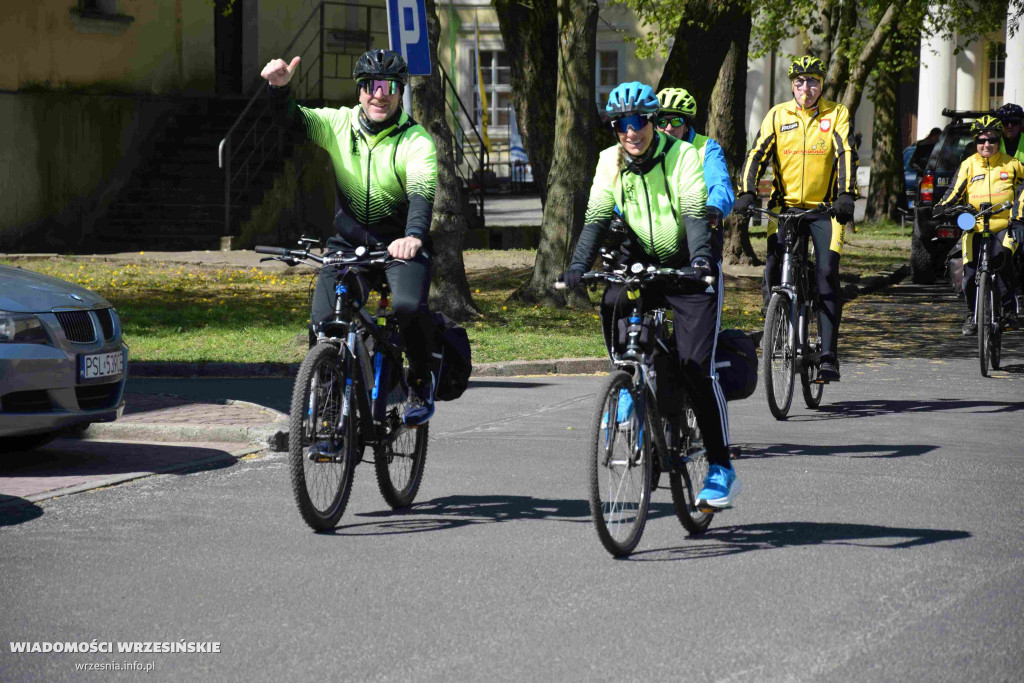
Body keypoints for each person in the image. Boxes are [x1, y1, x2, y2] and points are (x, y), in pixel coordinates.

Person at [561, 81, 739, 510]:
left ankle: (720, 467)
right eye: (621, 124)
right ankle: (627, 378)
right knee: (612, 301)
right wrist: (575, 267)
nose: (631, 131)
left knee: (696, 367)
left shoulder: (684, 157)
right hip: (643, 259)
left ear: (653, 121)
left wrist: (700, 262)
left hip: (686, 264)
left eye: (639, 121)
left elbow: (697, 213)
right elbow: (596, 217)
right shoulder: (610, 161)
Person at [261, 48, 440, 426]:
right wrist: (279, 91)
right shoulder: (339, 125)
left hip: (399, 247)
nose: (381, 93)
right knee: (323, 321)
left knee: (408, 308)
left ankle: (421, 381)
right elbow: (293, 120)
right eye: (372, 85)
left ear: (400, 91)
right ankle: (326, 406)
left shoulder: (416, 140)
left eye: (390, 86)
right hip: (348, 247)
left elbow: (422, 195)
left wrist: (412, 237)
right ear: (360, 90)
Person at [735, 55, 859, 383]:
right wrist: (747, 191)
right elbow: (756, 154)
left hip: (825, 210)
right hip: (785, 209)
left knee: (826, 273)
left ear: (822, 85)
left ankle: (829, 355)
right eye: (801, 81)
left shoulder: (836, 113)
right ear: (793, 84)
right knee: (774, 268)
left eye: (814, 81)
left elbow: (846, 152)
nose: (807, 88)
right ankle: (780, 320)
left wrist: (846, 195)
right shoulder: (778, 115)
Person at [933, 115, 1024, 333]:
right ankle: (972, 316)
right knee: (970, 274)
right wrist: (941, 206)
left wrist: (1019, 218)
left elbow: (1023, 192)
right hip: (974, 225)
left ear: (998, 140)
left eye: (991, 140)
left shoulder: (1012, 165)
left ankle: (1009, 311)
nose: (986, 145)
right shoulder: (968, 165)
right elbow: (954, 191)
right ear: (975, 142)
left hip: (1004, 225)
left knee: (1004, 260)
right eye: (981, 140)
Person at [655, 88, 735, 263]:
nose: (668, 128)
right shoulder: (646, 151)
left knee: (705, 282)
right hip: (656, 231)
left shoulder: (706, 148)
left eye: (676, 121)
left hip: (698, 229)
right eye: (662, 121)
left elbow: (720, 185)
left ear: (686, 125)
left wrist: (713, 208)